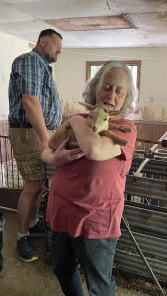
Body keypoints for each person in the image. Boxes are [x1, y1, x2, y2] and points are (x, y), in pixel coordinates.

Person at [41, 60, 137, 296]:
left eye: (119, 91)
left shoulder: (124, 128)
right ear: (95, 87)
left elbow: (94, 150)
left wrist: (74, 120)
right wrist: (56, 159)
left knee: (99, 284)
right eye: (107, 86)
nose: (111, 95)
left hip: (96, 221)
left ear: (125, 99)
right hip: (61, 212)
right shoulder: (82, 118)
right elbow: (46, 150)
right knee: (63, 270)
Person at [8, 29, 63, 262]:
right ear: (43, 41)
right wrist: (44, 138)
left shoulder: (41, 67)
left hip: (38, 132)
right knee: (32, 186)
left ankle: (31, 223)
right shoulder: (30, 60)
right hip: (30, 132)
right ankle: (22, 237)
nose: (59, 50)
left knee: (38, 184)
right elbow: (30, 100)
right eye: (56, 45)